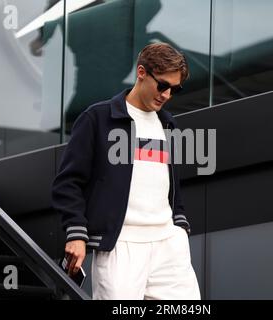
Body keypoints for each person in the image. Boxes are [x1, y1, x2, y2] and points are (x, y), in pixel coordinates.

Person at [51, 43, 200, 300]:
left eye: (174, 90)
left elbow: (171, 185)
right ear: (141, 72)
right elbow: (68, 182)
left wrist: (180, 224)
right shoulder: (97, 119)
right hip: (120, 245)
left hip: (169, 244)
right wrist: (76, 232)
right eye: (162, 85)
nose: (166, 95)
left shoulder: (169, 125)